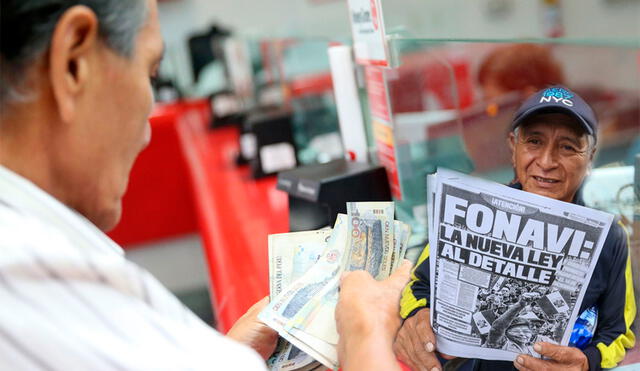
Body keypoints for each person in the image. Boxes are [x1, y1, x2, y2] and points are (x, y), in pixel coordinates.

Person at [0, 1, 412, 369]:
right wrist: (364, 336)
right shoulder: (35, 285)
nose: (146, 132)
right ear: (74, 62)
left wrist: (225, 357)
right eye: (149, 71)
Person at [394, 85, 636, 371]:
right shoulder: (465, 211)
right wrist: (417, 315)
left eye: (568, 147)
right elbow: (418, 286)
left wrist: (587, 361)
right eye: (534, 142)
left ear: (590, 157)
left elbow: (618, 334)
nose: (546, 162)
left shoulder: (610, 238)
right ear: (514, 147)